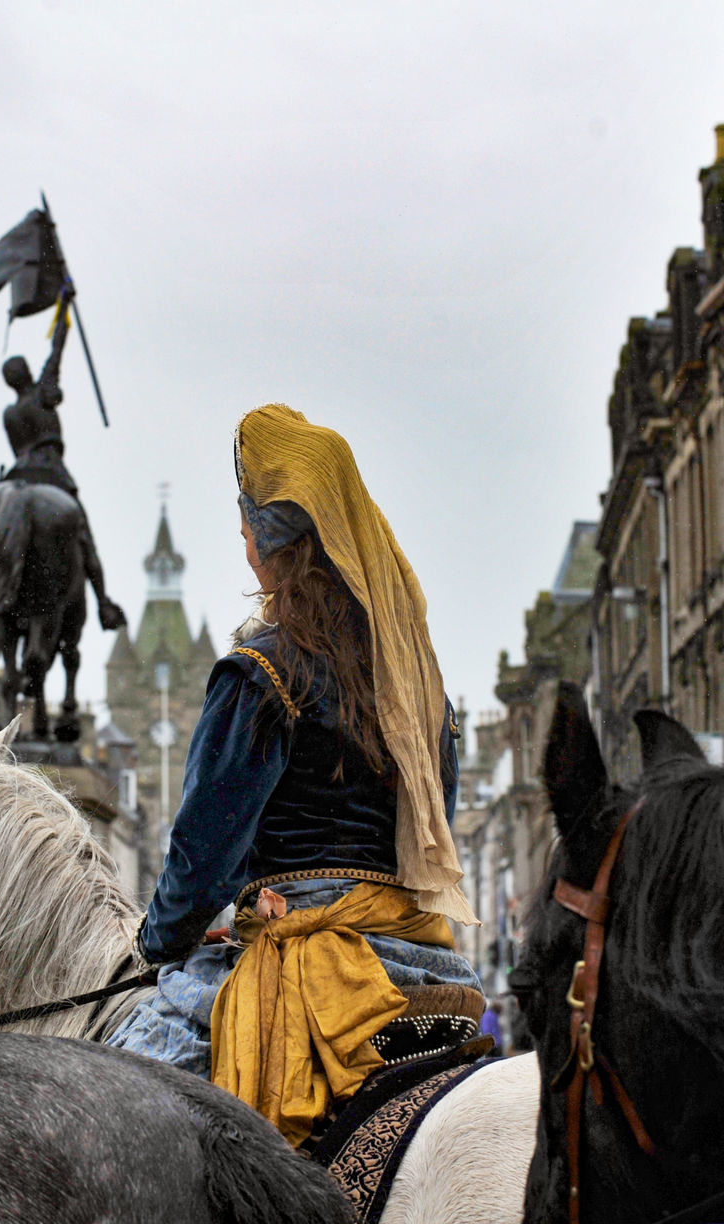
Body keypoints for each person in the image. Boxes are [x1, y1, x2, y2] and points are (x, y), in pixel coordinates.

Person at [108, 403, 480, 1149]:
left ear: (271, 544)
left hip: (310, 964)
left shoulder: (261, 671)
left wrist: (156, 943)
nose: (242, 543)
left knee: (97, 1105)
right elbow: (433, 813)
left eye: (246, 524)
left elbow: (199, 857)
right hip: (424, 956)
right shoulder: (418, 687)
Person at [0, 284, 124, 631]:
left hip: (17, 476)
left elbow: (17, 450)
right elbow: (58, 345)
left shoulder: (9, 414)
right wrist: (64, 305)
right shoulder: (42, 393)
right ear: (25, 373)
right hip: (52, 474)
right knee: (84, 539)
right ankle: (104, 604)